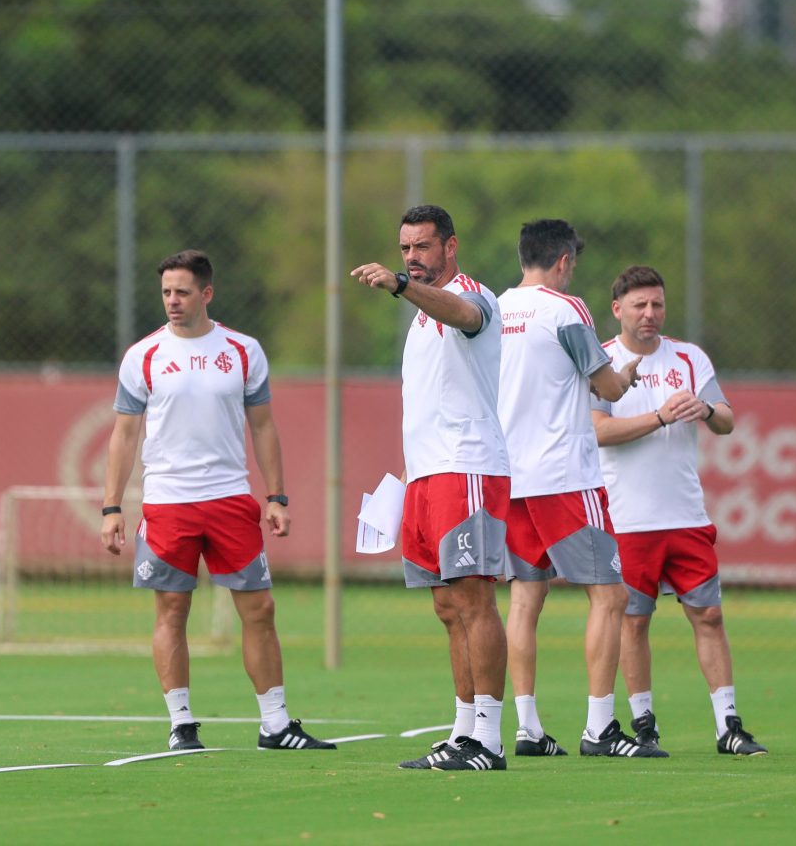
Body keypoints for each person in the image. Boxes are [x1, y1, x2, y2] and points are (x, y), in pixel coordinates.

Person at [101, 250, 334, 753]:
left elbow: (264, 426)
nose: (172, 301)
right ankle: (181, 724)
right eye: (166, 292)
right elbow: (123, 434)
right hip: (168, 503)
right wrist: (112, 506)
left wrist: (276, 496)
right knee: (171, 611)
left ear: (207, 293)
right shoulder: (143, 355)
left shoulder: (243, 349)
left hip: (230, 499)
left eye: (182, 292)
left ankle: (276, 725)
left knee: (260, 609)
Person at [351, 205, 511, 772]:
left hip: (466, 469)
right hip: (425, 475)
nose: (412, 259)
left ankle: (489, 740)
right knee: (448, 607)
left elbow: (465, 315)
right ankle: (463, 731)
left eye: (422, 248)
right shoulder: (418, 318)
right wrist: (401, 478)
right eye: (404, 251)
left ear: (450, 246)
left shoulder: (476, 296)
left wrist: (398, 286)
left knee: (474, 599)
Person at [590, 265, 767, 757]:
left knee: (708, 614)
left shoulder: (689, 358)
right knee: (634, 623)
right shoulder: (601, 361)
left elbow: (727, 419)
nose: (650, 314)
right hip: (626, 519)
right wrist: (660, 416)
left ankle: (728, 725)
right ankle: (644, 724)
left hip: (685, 515)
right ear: (617, 309)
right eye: (640, 305)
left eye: (658, 305)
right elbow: (598, 430)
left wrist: (705, 411)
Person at [497, 219, 642, 760]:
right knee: (610, 594)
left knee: (524, 597)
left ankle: (529, 728)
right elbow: (605, 385)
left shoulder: (495, 308)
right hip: (562, 474)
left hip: (509, 477)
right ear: (563, 261)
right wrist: (624, 375)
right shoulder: (567, 309)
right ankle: (599, 728)